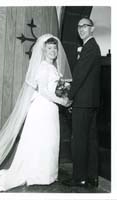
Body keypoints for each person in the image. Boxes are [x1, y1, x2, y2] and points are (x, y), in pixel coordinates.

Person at [0, 34, 72, 191]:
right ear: (43, 50)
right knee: (42, 139)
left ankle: (46, 174)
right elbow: (44, 91)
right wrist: (62, 101)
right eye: (49, 48)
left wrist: (62, 94)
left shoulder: (53, 67)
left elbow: (54, 89)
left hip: (50, 108)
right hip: (43, 108)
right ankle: (38, 174)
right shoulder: (44, 67)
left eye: (55, 48)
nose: (53, 51)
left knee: (49, 140)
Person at [63, 17, 101, 187]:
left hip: (83, 102)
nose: (81, 29)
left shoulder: (89, 47)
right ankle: (92, 177)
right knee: (90, 140)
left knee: (79, 139)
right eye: (79, 26)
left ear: (92, 29)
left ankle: (79, 177)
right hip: (90, 102)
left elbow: (79, 76)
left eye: (85, 26)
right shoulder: (92, 47)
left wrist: (70, 96)